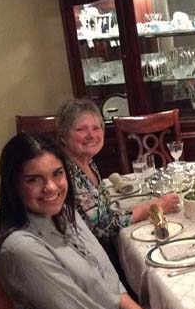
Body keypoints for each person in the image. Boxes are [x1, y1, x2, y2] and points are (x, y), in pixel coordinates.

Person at [0, 133, 173, 309]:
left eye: (57, 174)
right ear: (13, 185)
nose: (51, 188)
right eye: (34, 179)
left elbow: (107, 277)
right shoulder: (21, 249)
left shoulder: (65, 214)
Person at [56, 99, 179, 268]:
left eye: (96, 128)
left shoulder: (87, 163)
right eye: (80, 129)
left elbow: (105, 210)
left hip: (101, 251)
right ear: (63, 136)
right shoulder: (66, 173)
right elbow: (103, 226)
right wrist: (152, 207)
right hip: (89, 261)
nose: (91, 135)